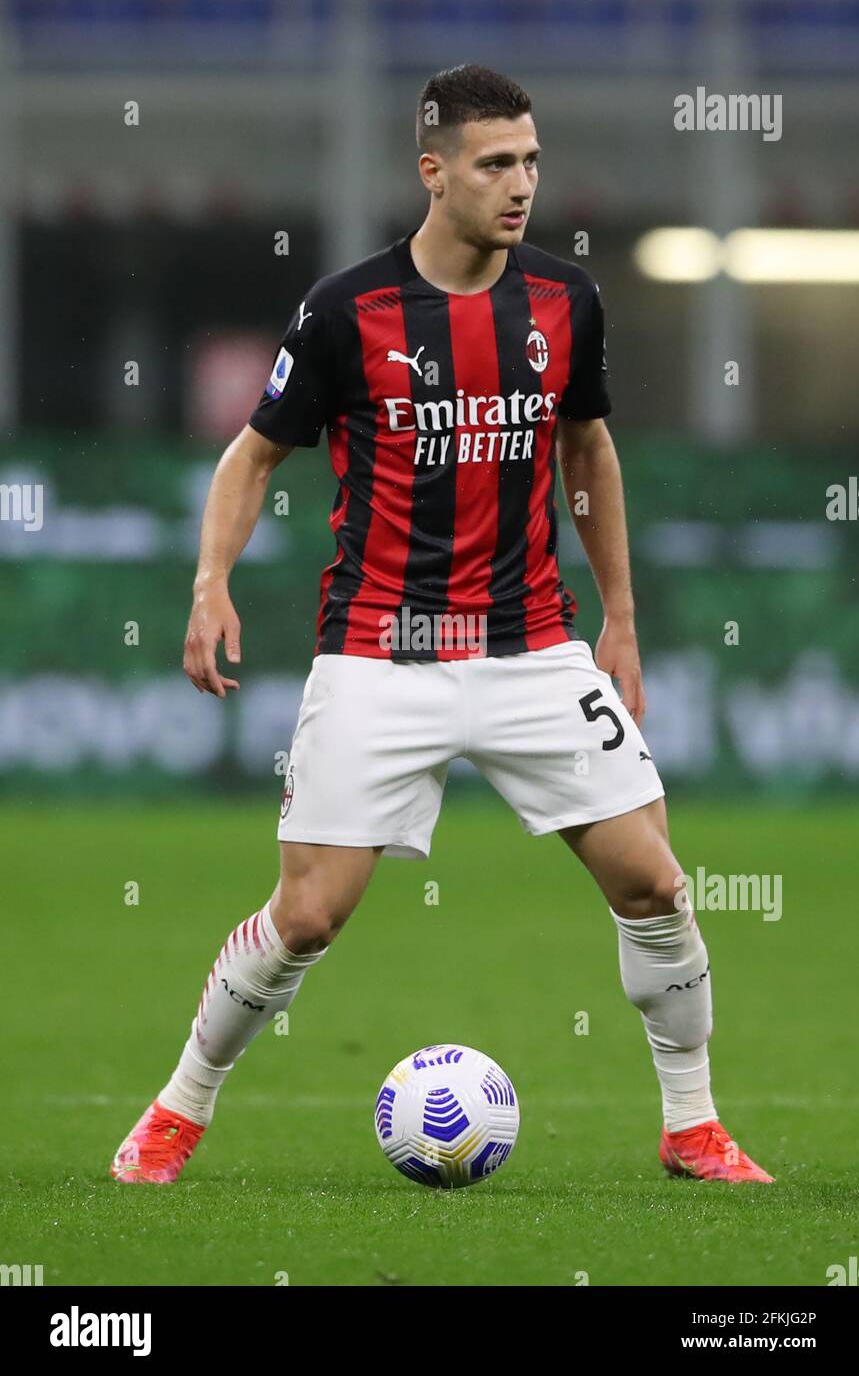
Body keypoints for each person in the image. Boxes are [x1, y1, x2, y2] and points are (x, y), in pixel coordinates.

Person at [111, 64, 773, 1186]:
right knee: (309, 916)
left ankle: (690, 1125)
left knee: (655, 882)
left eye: (529, 161)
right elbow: (252, 452)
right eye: (493, 164)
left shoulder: (564, 300)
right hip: (381, 651)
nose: (519, 185)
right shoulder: (344, 310)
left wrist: (616, 617)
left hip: (531, 647)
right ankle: (177, 1110)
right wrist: (207, 583)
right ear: (432, 172)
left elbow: (587, 451)